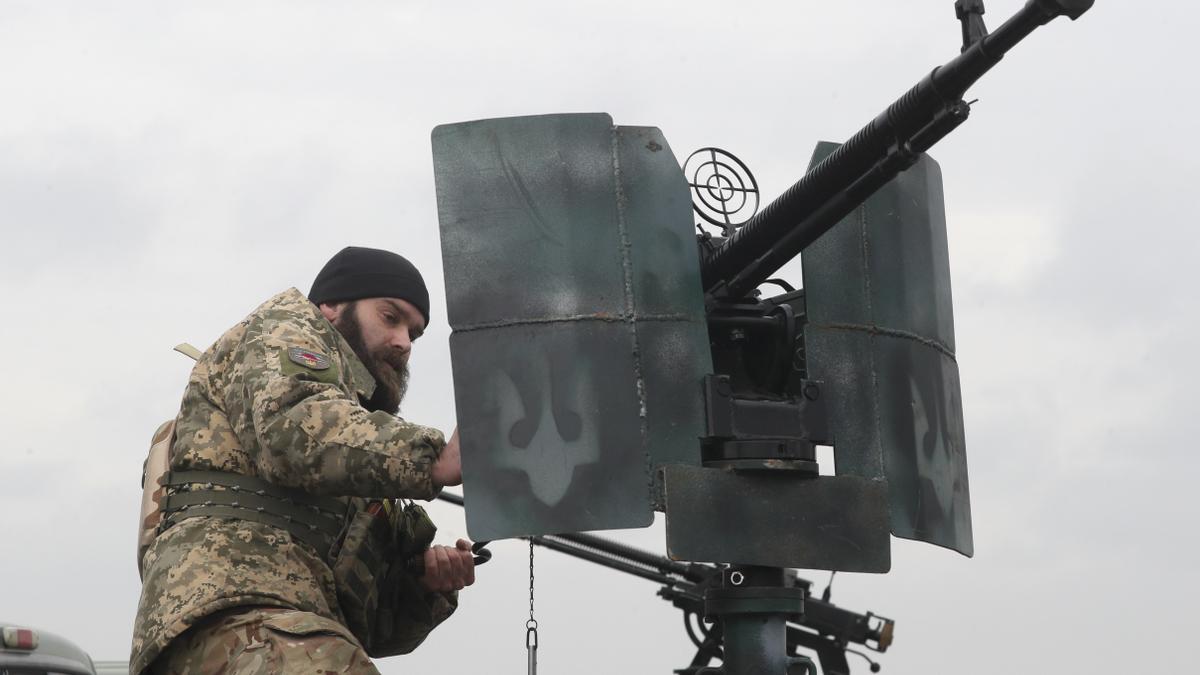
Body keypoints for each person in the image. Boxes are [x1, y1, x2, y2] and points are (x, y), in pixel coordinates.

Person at [131, 246, 474, 674]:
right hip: (229, 617)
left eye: (414, 333)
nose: (403, 342)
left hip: (285, 635)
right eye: (391, 317)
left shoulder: (353, 449)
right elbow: (293, 431)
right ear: (331, 306)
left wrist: (424, 585)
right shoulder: (283, 331)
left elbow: (372, 629)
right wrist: (434, 461)